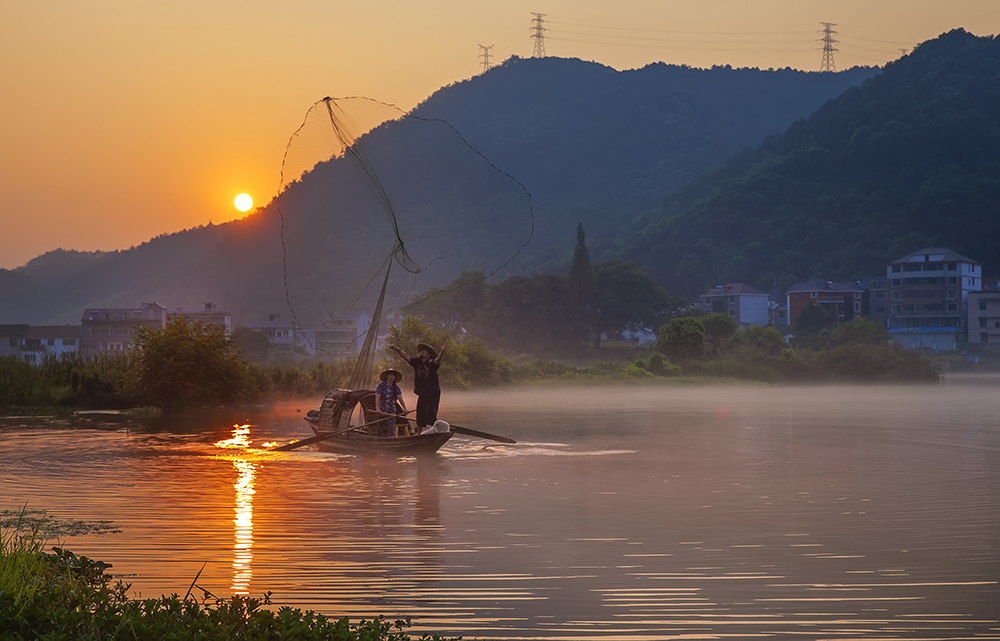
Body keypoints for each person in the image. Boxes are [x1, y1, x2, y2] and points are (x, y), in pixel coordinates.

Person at [388, 342, 446, 430]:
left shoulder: (432, 363)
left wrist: (442, 351)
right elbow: (406, 357)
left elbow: (438, 359)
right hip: (422, 392)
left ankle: (435, 429)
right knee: (420, 412)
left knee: (430, 411)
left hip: (433, 391)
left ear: (429, 355)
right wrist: (397, 350)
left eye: (425, 351)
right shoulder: (417, 362)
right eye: (422, 351)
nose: (422, 352)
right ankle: (418, 432)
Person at [374, 369, 406, 438]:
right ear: (387, 376)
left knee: (391, 427)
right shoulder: (381, 385)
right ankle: (380, 439)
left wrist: (405, 409)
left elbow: (400, 398)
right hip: (382, 409)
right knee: (379, 426)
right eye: (390, 375)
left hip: (391, 410)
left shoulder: (396, 387)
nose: (392, 377)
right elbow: (377, 398)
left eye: (393, 376)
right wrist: (378, 409)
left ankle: (390, 438)